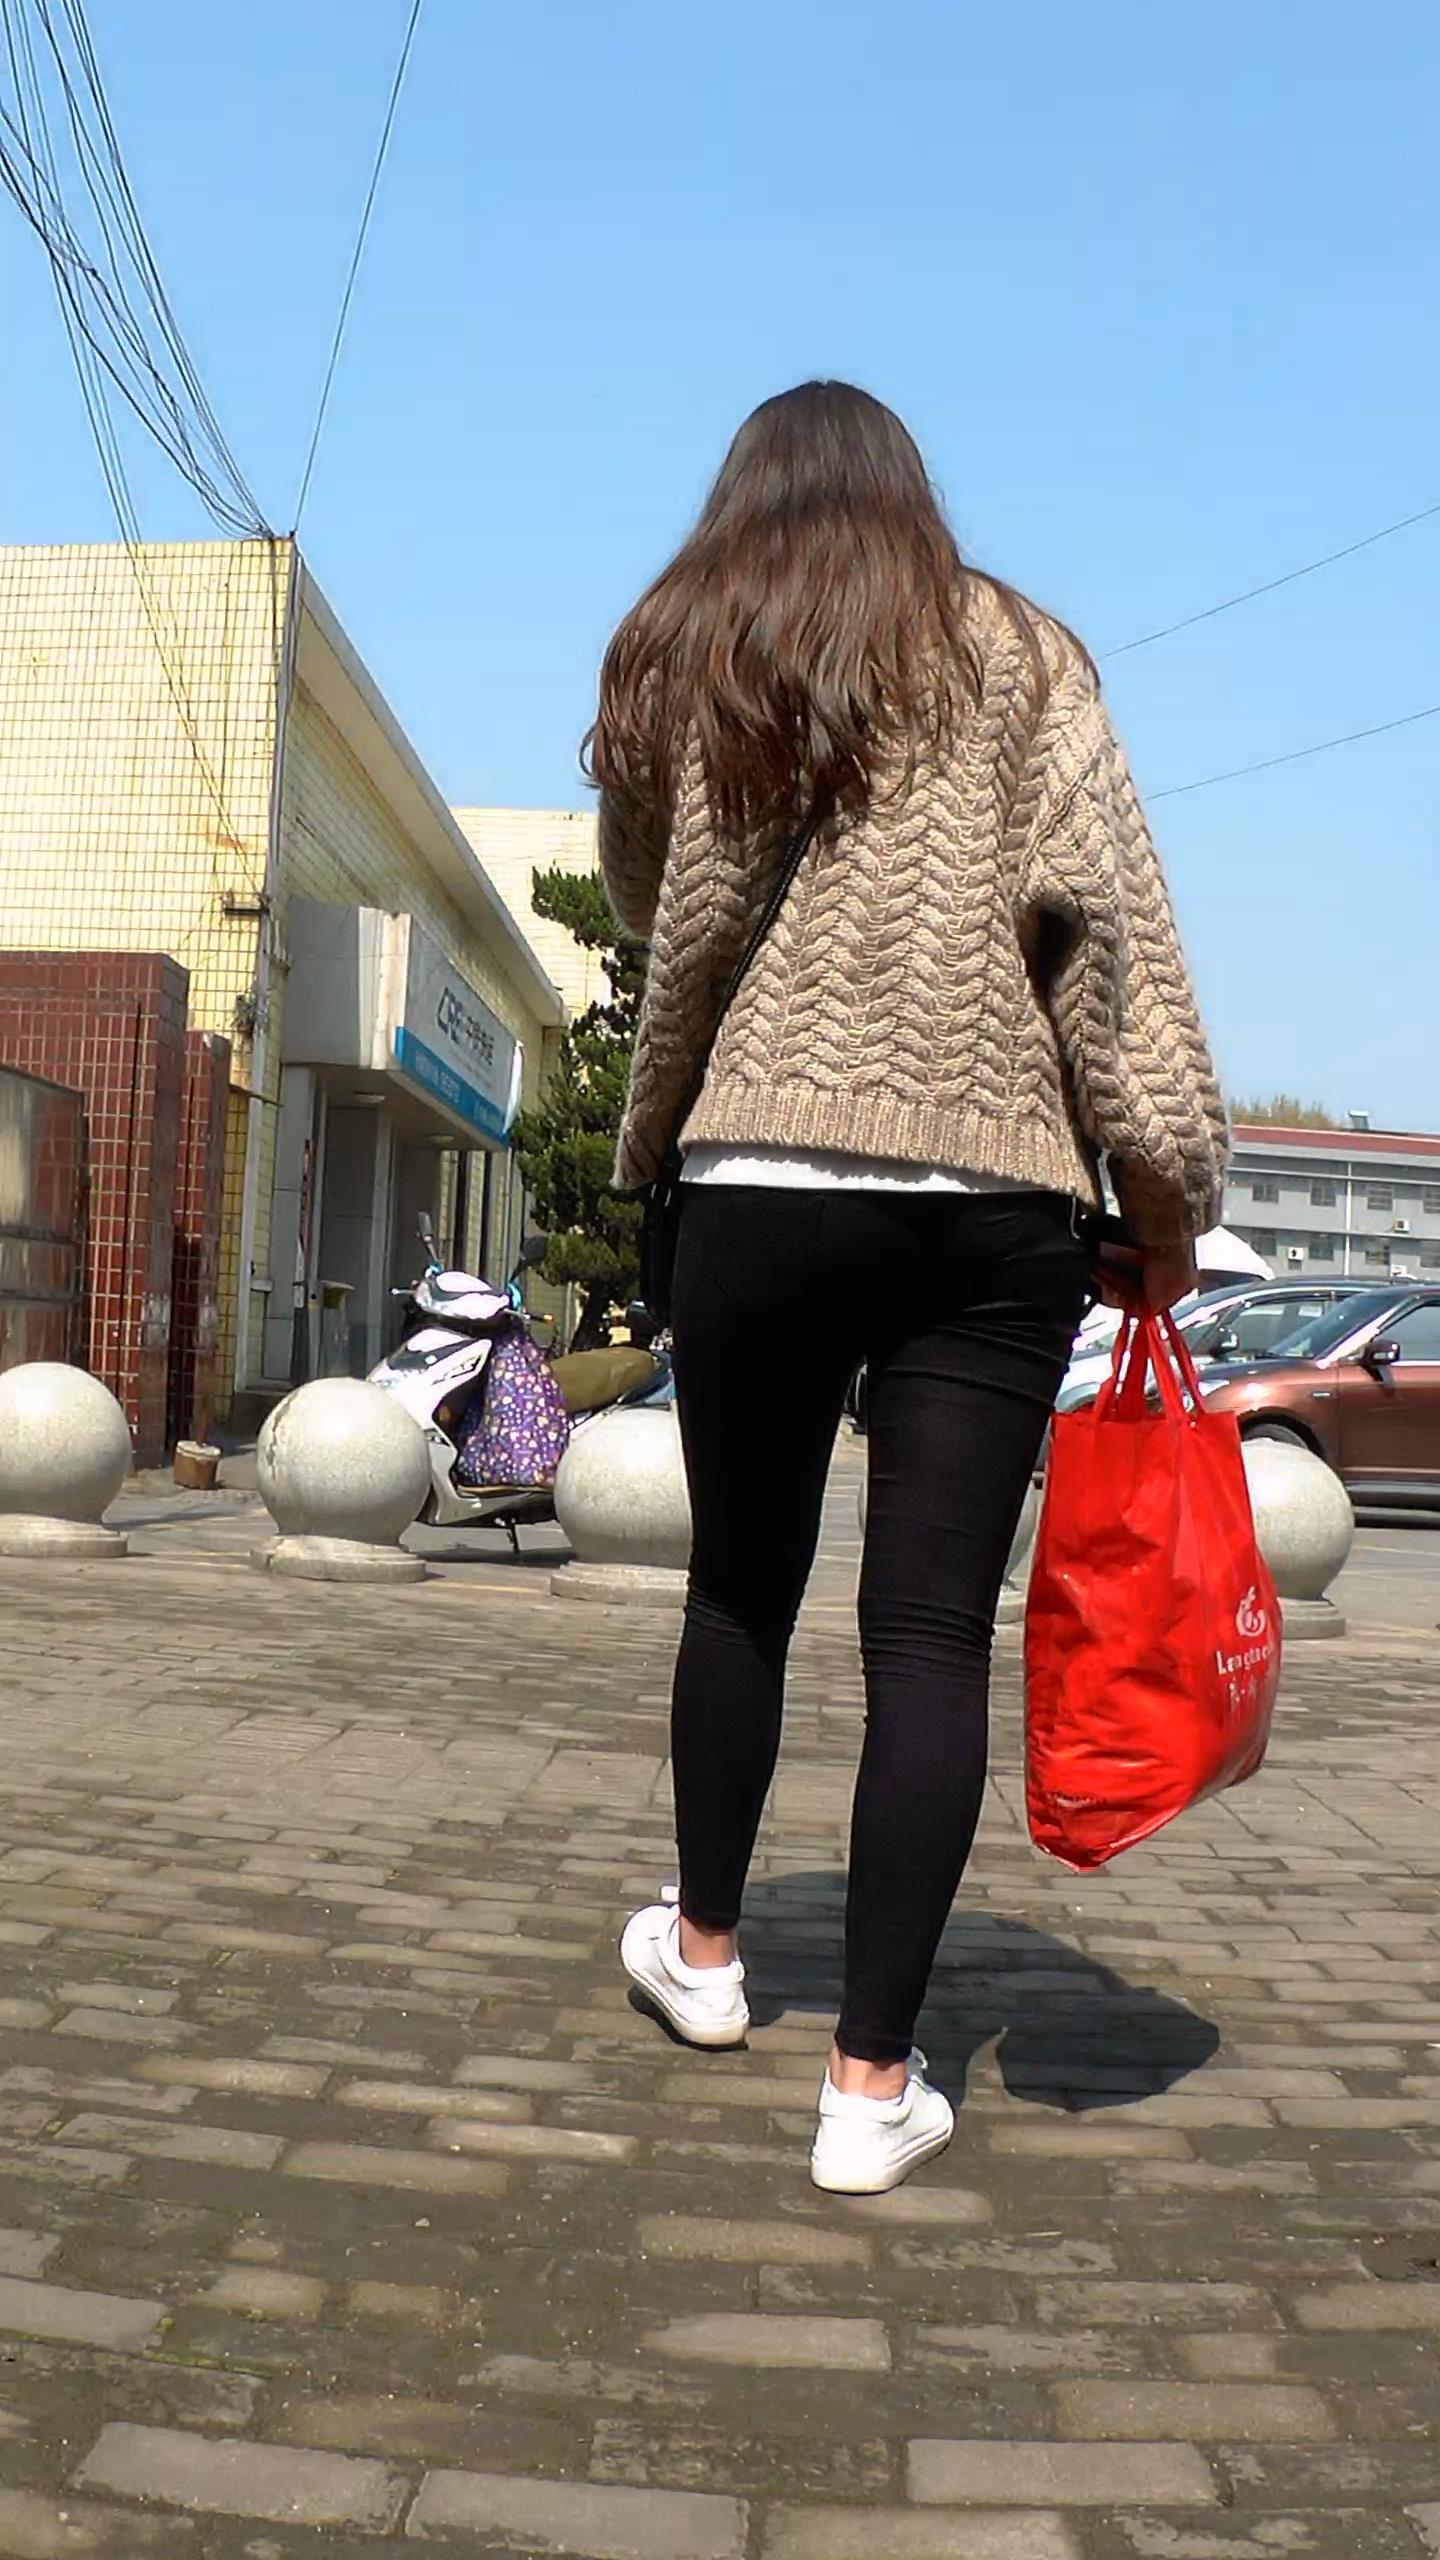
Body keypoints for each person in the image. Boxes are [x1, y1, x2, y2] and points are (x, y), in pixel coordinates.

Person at [591, 381, 1228, 2195]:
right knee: (930, 1634)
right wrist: (1165, 1192)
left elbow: (656, 908)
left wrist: (670, 1137)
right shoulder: (1027, 656)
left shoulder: (693, 646)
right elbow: (1104, 928)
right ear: (911, 491)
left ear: (746, 496)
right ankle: (870, 2090)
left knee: (740, 1591)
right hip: (994, 1195)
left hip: (761, 1182)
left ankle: (707, 1957)